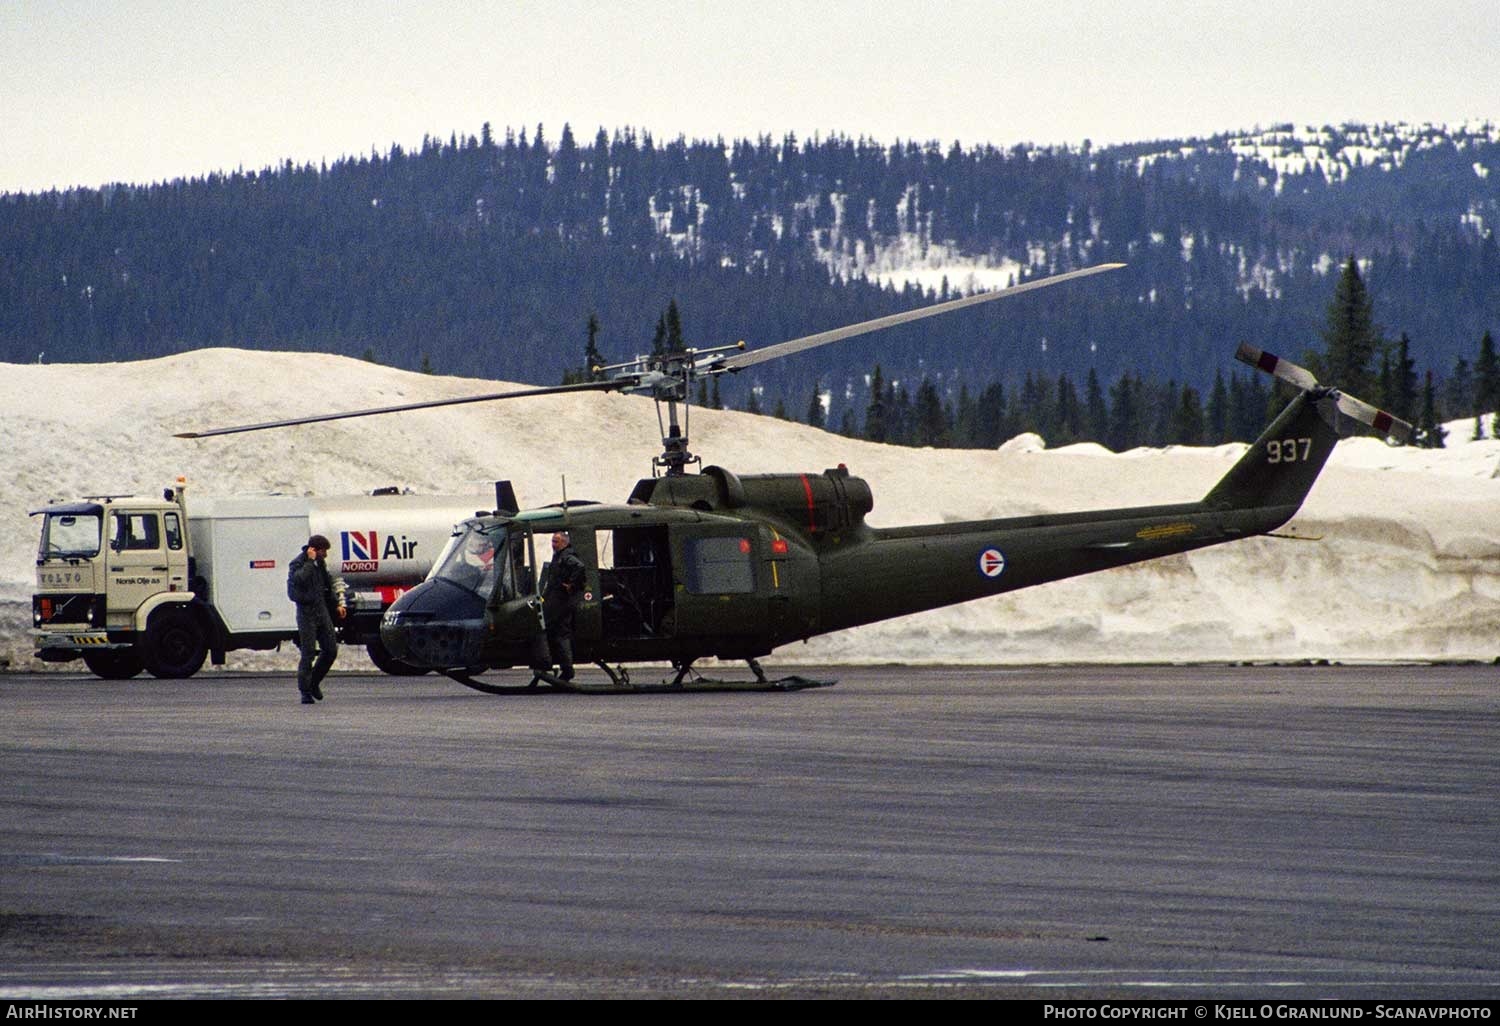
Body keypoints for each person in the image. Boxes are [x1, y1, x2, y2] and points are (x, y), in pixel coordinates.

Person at [287, 534, 346, 703]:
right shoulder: (298, 564)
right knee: (308, 653)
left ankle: (314, 682)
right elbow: (296, 585)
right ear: (313, 550)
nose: (325, 555)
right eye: (323, 551)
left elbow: (326, 586)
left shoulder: (320, 564)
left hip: (322, 611)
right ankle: (304, 691)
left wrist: (336, 605)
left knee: (330, 650)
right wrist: (310, 563)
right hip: (306, 614)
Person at [542, 530, 587, 681]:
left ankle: (566, 669)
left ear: (564, 543)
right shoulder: (559, 556)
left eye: (556, 542)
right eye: (552, 541)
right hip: (557, 601)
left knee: (560, 633)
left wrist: (571, 586)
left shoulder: (566, 556)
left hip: (562, 603)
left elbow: (580, 567)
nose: (553, 545)